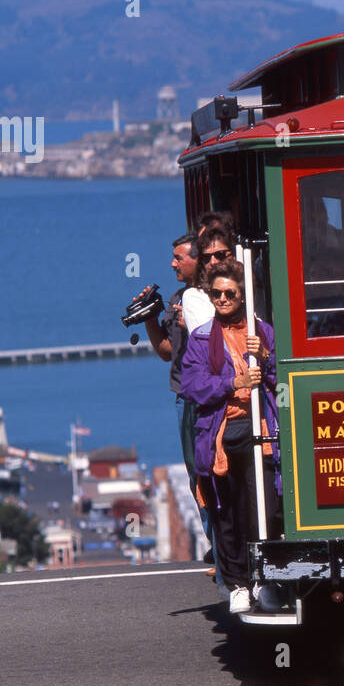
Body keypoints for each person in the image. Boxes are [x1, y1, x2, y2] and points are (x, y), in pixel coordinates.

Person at [180, 259, 280, 614]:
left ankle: (265, 581)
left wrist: (266, 358)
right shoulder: (202, 338)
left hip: (261, 431)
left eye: (229, 293)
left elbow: (281, 383)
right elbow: (193, 387)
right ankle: (238, 584)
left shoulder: (263, 332)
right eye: (216, 293)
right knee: (227, 514)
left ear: (243, 296)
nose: (222, 299)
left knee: (264, 511)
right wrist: (233, 383)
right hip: (220, 436)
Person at [137, 233, 215, 569]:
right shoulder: (178, 298)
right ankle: (215, 541)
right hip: (186, 396)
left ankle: (226, 542)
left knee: (214, 469)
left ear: (198, 261)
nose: (173, 264)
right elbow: (167, 352)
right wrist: (151, 319)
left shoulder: (219, 296)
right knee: (195, 472)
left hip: (210, 393)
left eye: (179, 258)